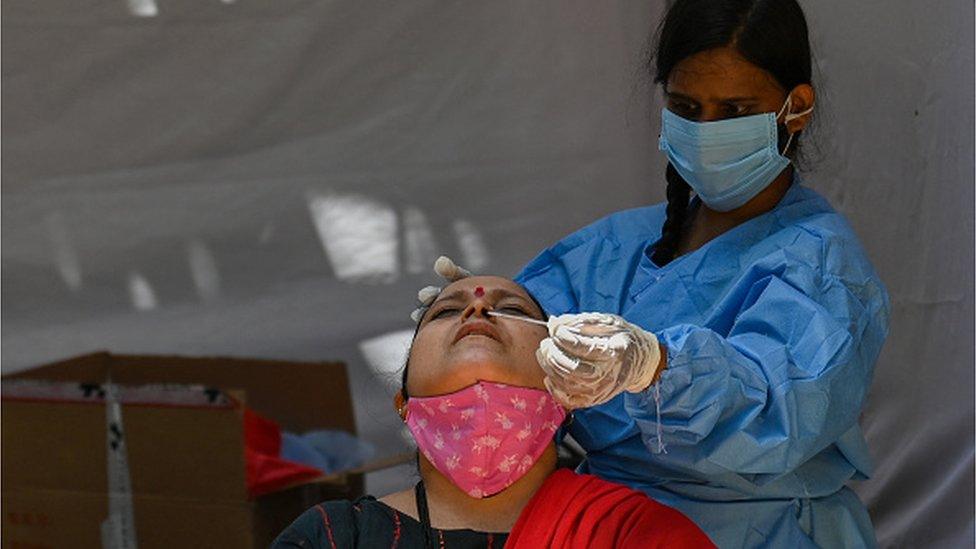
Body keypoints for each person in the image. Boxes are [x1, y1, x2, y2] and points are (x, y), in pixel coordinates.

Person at [489, 1, 892, 547]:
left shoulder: (822, 266)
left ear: (795, 108)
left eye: (733, 110)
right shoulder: (618, 246)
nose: (706, 130)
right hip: (604, 525)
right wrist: (483, 317)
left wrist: (656, 367)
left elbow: (779, 409)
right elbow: (526, 345)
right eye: (685, 106)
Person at [273, 276, 714, 548]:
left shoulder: (631, 535)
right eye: (446, 311)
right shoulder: (332, 537)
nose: (478, 307)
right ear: (404, 405)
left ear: (564, 395)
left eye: (512, 310)